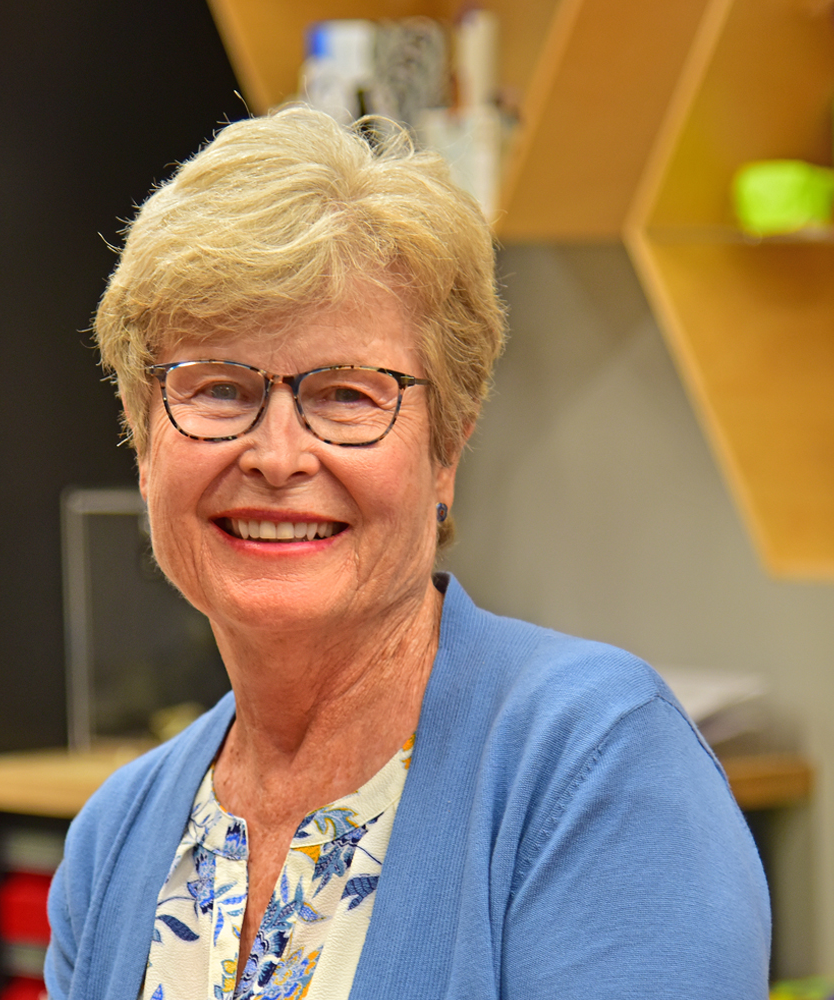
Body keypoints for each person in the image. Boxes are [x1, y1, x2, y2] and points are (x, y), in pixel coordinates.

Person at [45, 107, 770, 1000]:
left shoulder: (594, 766)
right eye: (220, 390)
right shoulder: (114, 838)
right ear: (144, 438)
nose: (277, 456)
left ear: (446, 451)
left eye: (347, 395)